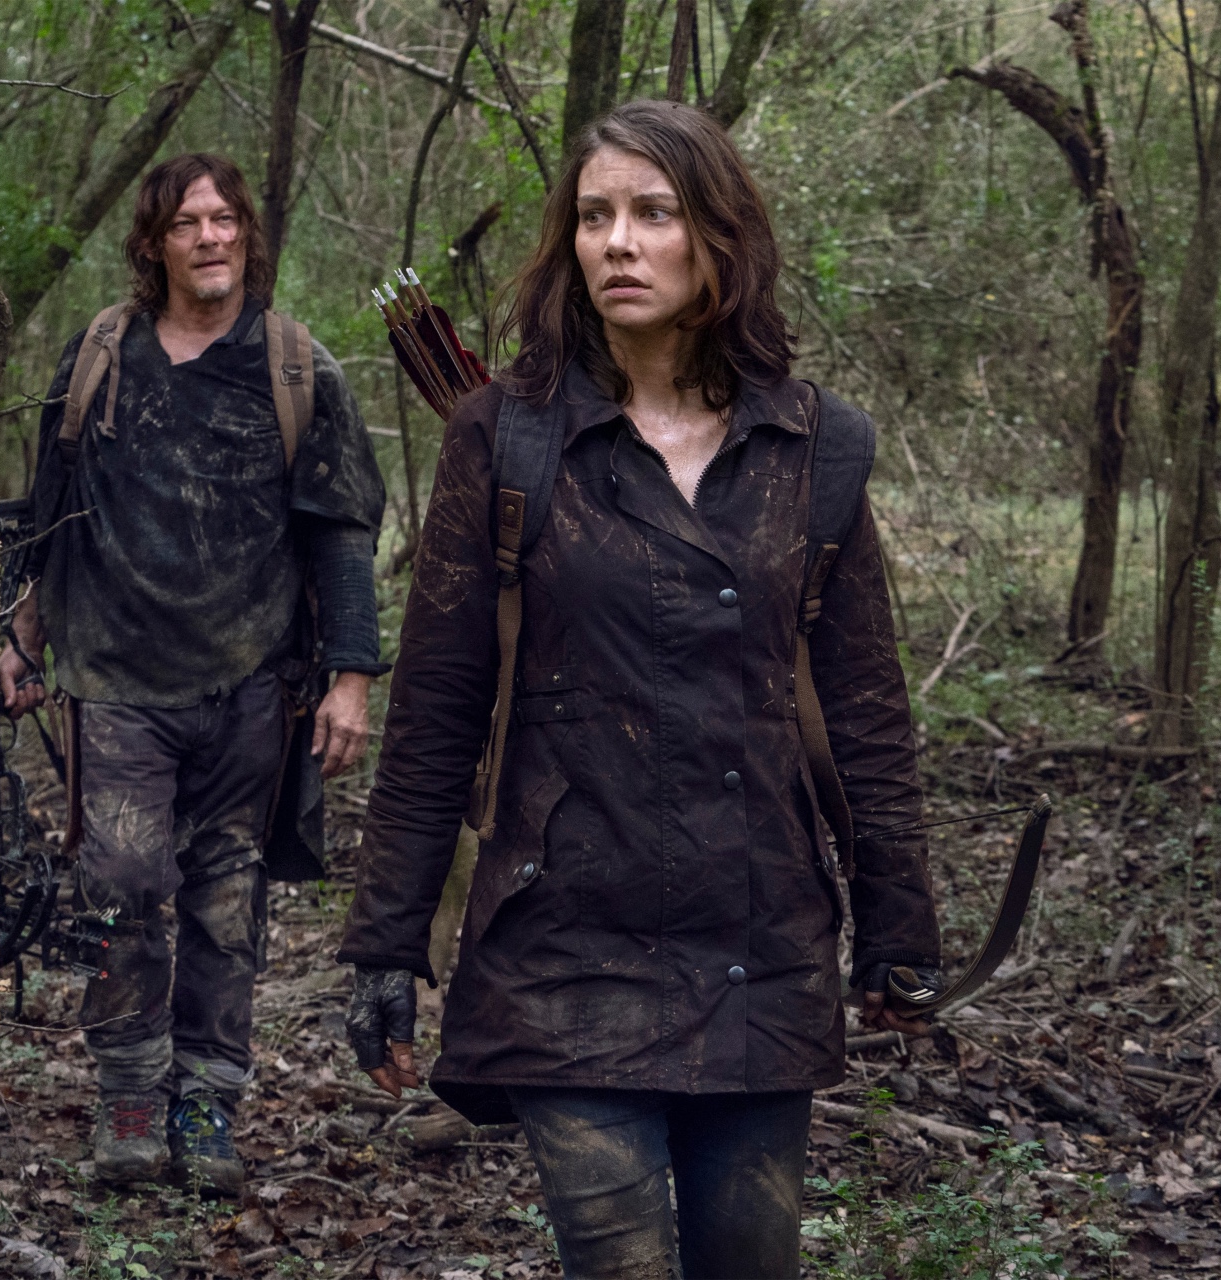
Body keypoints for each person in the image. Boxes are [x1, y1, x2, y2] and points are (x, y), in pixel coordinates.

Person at [336, 101, 940, 1278]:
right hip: (565, 941)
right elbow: (436, 712)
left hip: (758, 938)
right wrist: (386, 943)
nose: (616, 241)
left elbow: (865, 711)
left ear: (719, 236)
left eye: (653, 213)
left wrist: (899, 927)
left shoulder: (815, 449)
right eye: (594, 215)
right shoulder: (504, 439)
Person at [0, 153, 387, 1197]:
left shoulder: (298, 369)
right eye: (186, 223)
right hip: (116, 682)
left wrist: (351, 677)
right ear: (154, 243)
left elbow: (344, 533)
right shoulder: (100, 356)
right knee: (120, 883)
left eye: (224, 220)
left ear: (247, 234)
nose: (209, 237)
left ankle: (207, 1096)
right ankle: (130, 1087)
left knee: (226, 901)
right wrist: (22, 636)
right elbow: (50, 512)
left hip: (251, 686)